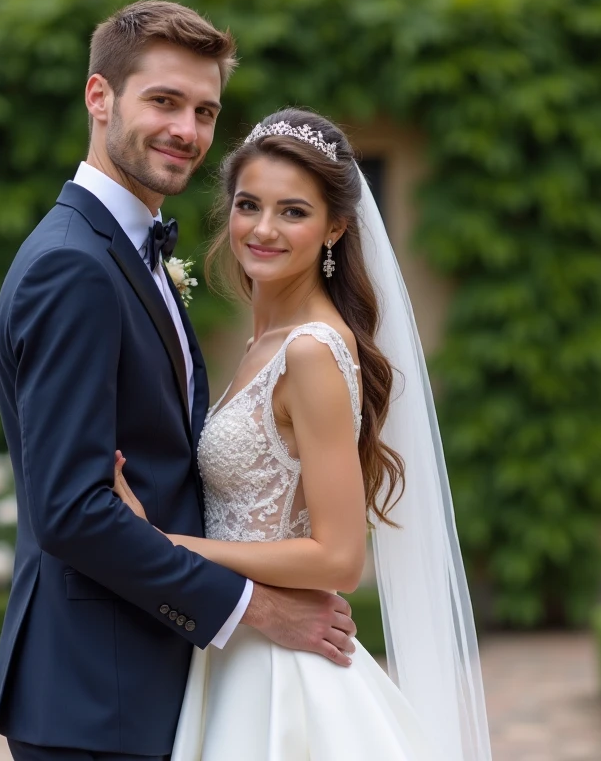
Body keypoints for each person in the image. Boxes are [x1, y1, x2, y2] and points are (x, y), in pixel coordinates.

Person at [0, 3, 357, 761]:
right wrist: (257, 608)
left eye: (205, 111)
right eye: (164, 101)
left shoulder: (130, 253)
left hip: (152, 684)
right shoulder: (74, 266)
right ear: (99, 97)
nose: (186, 130)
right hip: (98, 696)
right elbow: (71, 512)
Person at [112, 108, 493, 760]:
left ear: (335, 227)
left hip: (280, 674)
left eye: (293, 212)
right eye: (249, 205)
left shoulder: (311, 351)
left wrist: (168, 546)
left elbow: (339, 558)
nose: (263, 229)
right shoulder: (264, 342)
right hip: (234, 648)